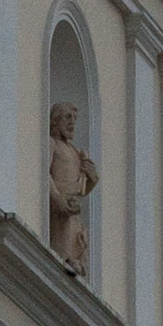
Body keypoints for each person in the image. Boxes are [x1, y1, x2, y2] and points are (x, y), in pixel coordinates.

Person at [48, 101, 99, 277]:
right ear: (55, 120)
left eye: (75, 119)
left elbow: (82, 189)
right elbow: (45, 173)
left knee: (75, 236)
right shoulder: (52, 144)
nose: (72, 122)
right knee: (63, 237)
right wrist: (55, 196)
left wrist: (91, 177)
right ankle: (65, 259)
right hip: (61, 203)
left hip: (72, 204)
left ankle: (75, 262)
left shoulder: (74, 151)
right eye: (68, 117)